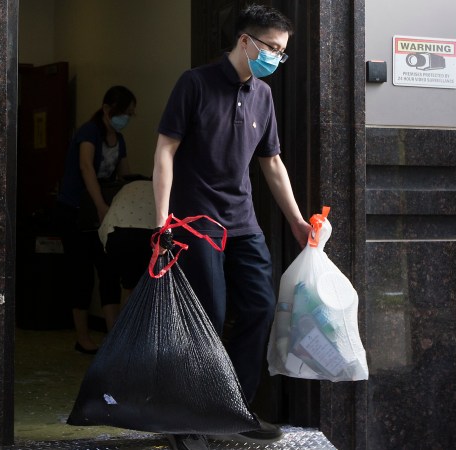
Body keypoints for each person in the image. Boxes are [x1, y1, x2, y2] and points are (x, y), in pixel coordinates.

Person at [152, 5, 311, 448]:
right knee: (207, 318)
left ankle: (232, 409)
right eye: (272, 49)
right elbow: (165, 150)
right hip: (194, 222)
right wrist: (162, 221)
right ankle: (185, 420)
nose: (277, 59)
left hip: (243, 224)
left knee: (259, 309)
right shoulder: (194, 83)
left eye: (283, 52)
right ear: (245, 41)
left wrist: (296, 221)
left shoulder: (262, 94)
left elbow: (272, 163)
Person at [56, 85, 137, 354]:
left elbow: (124, 176)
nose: (126, 118)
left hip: (103, 214)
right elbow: (85, 167)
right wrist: (101, 205)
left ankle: (113, 335)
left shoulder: (120, 139)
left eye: (129, 114)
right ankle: (82, 336)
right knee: (81, 273)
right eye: (123, 113)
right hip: (78, 210)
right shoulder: (89, 132)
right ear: (106, 109)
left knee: (109, 271)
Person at [98, 179, 157, 307]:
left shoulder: (126, 188)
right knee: (149, 287)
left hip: (115, 232)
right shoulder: (160, 186)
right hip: (151, 233)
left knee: (123, 285)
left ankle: (122, 325)